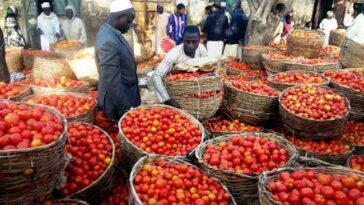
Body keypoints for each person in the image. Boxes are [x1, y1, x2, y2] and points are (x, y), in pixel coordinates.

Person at [95, 0, 141, 120]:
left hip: (126, 95)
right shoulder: (108, 41)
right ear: (118, 17)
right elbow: (111, 80)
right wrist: (126, 109)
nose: (131, 25)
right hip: (118, 103)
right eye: (129, 21)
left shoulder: (113, 32)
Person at [151, 26, 208, 107]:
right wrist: (166, 99)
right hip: (177, 92)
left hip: (197, 93)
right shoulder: (173, 54)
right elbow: (156, 76)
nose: (190, 45)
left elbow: (206, 69)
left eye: (194, 42)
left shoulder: (202, 50)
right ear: (182, 40)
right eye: (187, 42)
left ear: (199, 40)